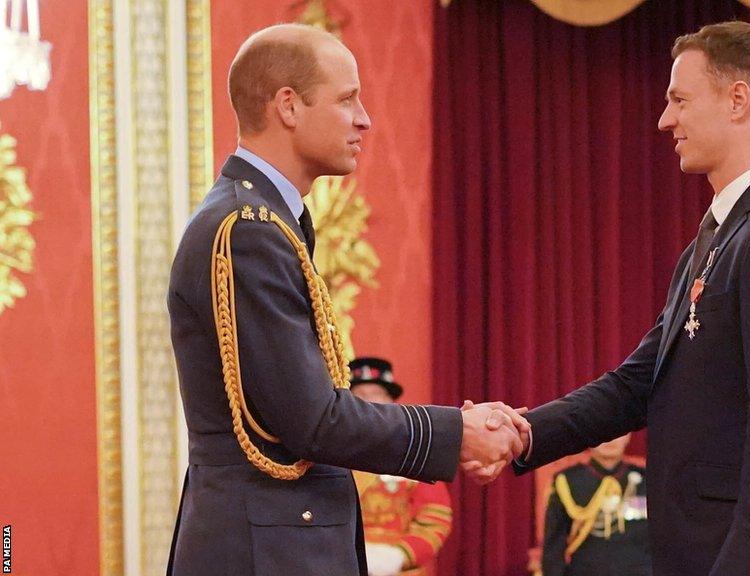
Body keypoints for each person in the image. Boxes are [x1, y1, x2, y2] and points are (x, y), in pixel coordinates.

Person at [497, 21, 750, 575]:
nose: (666, 119)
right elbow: (639, 383)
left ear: (738, 101)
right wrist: (524, 435)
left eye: (680, 99)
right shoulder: (717, 238)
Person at [166, 24, 528, 576]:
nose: (365, 118)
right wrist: (455, 433)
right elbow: (312, 421)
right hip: (266, 553)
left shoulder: (268, 221)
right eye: (346, 99)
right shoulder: (249, 230)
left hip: (277, 541)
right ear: (288, 105)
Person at [347, 357, 453, 576]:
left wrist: (398, 556)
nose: (369, 405)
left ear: (392, 403)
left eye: (377, 396)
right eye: (360, 397)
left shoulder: (416, 456)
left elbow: (435, 517)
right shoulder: (329, 457)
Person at [541, 433, 651, 576]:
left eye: (618, 431)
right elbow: (553, 548)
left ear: (628, 436)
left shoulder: (647, 481)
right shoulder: (567, 482)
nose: (610, 438)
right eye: (604, 430)